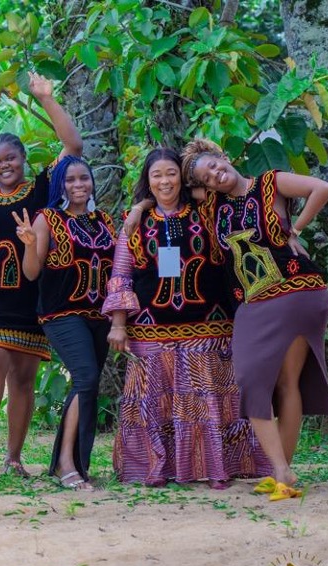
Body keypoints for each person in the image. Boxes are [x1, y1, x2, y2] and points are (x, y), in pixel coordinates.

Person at [180, 138, 328, 500]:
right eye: (208, 177)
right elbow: (171, 187)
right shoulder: (214, 206)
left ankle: (282, 472)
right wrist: (141, 207)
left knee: (287, 382)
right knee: (252, 380)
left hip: (297, 290)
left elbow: (322, 188)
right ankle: (281, 469)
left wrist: (295, 228)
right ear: (204, 186)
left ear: (225, 158)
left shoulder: (271, 182)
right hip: (253, 301)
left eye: (217, 166)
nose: (217, 175)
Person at [103, 148, 270, 488]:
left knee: (209, 401)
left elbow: (213, 189)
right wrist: (118, 324)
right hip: (152, 333)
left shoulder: (206, 209)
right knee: (153, 403)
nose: (165, 181)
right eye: (156, 175)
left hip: (209, 328)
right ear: (147, 181)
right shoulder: (135, 223)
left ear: (182, 177)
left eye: (171, 173)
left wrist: (144, 203)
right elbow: (122, 273)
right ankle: (157, 468)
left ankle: (216, 469)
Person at [0, 73, 82, 484]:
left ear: (23, 159)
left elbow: (73, 148)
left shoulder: (41, 190)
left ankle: (13, 457)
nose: (5, 165)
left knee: (24, 376)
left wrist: (46, 98)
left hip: (30, 300)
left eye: (11, 158)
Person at [13, 156, 115, 490]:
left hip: (99, 316)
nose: (78, 185)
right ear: (60, 185)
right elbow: (31, 273)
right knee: (85, 378)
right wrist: (29, 244)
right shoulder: (48, 219)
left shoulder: (105, 221)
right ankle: (64, 464)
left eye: (83, 178)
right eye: (70, 180)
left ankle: (78, 464)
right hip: (61, 313)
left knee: (89, 385)